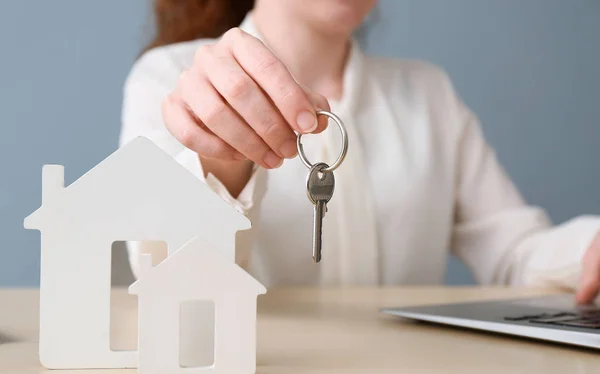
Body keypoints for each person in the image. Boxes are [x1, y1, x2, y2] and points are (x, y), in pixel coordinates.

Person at [119, 0, 600, 303]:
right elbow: (167, 282)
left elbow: (515, 253)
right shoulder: (168, 80)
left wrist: (590, 248)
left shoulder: (429, 94)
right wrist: (224, 157)